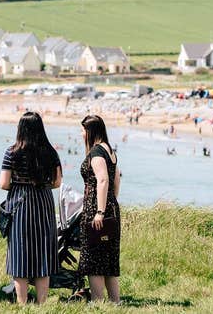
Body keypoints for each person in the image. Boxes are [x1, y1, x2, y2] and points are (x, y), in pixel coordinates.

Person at [0, 112, 62, 305]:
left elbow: (3, 183)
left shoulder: (12, 152)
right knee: (43, 251)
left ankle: (22, 303)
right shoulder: (51, 152)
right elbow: (57, 182)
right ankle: (42, 303)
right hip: (43, 202)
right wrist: (41, 185)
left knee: (20, 252)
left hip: (20, 203)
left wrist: (19, 185)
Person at [79, 115, 121, 303]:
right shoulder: (109, 150)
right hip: (111, 206)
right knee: (109, 258)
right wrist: (112, 202)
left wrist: (100, 212)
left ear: (90, 131)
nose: (81, 134)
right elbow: (116, 179)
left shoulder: (96, 152)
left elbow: (103, 180)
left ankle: (97, 301)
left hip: (97, 209)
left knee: (93, 257)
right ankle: (115, 300)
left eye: (82, 130)